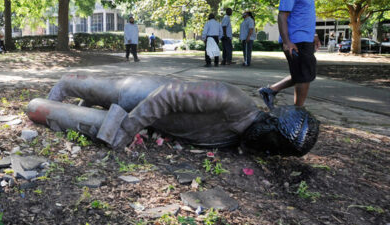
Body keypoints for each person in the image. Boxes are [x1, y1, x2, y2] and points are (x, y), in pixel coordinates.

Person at [29, 74, 319, 156]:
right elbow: (168, 94)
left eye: (275, 153)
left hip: (151, 122)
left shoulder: (245, 134)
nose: (268, 154)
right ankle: (59, 92)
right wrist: (129, 129)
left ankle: (49, 107)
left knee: (65, 115)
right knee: (83, 88)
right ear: (271, 122)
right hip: (140, 94)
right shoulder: (231, 100)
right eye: (272, 147)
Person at [259, 0, 321, 109]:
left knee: (302, 75)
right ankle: (298, 111)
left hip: (305, 38)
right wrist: (287, 42)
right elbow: (282, 16)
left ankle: (270, 91)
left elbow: (305, 15)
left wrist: (314, 34)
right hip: (296, 41)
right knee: (304, 77)